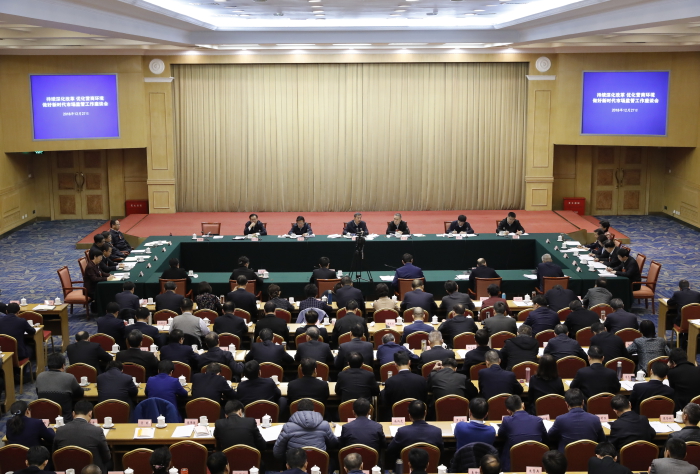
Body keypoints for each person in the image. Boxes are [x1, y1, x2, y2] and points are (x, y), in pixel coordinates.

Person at [53, 400, 111, 473]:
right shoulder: (97, 431)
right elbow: (107, 457)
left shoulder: (60, 430)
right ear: (90, 414)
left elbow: (55, 454)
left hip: (67, 470)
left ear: (73, 413)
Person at [272, 398, 338, 458]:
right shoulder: (325, 425)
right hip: (318, 463)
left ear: (297, 411)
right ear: (313, 410)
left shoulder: (288, 427)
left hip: (295, 464)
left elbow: (277, 452)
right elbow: (333, 444)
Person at [497, 395, 547, 471]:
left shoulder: (507, 420)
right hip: (536, 458)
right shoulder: (538, 420)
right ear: (523, 405)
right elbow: (546, 439)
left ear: (508, 411)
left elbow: (501, 434)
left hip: (514, 461)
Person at [35, 352, 84, 421]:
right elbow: (80, 394)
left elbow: (39, 393)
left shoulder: (40, 376)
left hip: (45, 419)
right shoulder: (69, 377)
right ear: (63, 365)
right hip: (65, 420)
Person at [381, 351, 428, 418]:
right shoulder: (421, 380)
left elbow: (386, 403)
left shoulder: (390, 381)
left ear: (395, 364)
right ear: (409, 362)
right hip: (417, 417)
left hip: (396, 418)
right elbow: (424, 400)